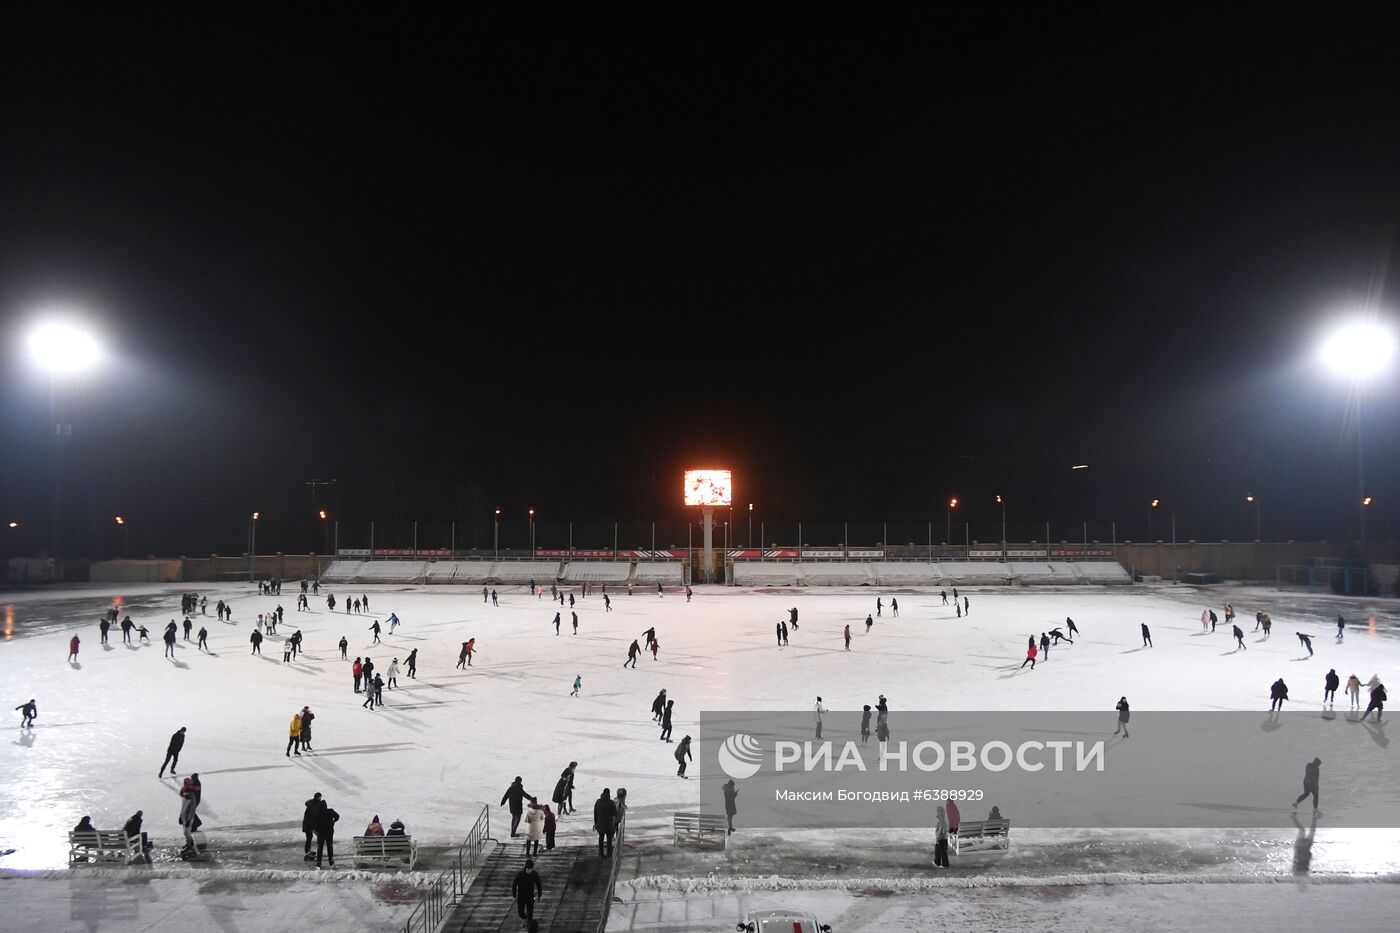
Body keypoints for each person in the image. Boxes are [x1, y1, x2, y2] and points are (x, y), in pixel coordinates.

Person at [314, 798, 340, 868]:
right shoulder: (330, 811)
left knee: (320, 847)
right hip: (329, 832)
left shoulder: (318, 813)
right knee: (329, 846)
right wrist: (333, 821)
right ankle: (330, 860)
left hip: (320, 833)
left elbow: (314, 823)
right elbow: (337, 816)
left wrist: (316, 831)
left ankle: (319, 862)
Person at [178, 777, 200, 854]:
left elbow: (192, 809)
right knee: (185, 832)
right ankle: (189, 844)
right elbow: (183, 807)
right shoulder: (185, 794)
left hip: (188, 818)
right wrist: (180, 816)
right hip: (184, 816)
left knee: (187, 831)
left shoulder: (191, 796)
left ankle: (190, 845)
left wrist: (189, 819)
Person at [593, 788, 616, 857]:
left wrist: (596, 823)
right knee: (609, 840)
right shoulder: (611, 803)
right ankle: (609, 854)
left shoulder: (598, 802)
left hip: (600, 824)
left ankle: (601, 853)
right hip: (609, 825)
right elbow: (614, 813)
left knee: (601, 839)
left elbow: (595, 813)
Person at [302, 793, 324, 860]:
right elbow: (314, 816)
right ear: (319, 797)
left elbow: (306, 803)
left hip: (307, 823)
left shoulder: (310, 802)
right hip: (310, 824)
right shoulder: (316, 805)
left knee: (309, 837)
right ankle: (307, 854)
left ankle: (308, 851)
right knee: (310, 837)